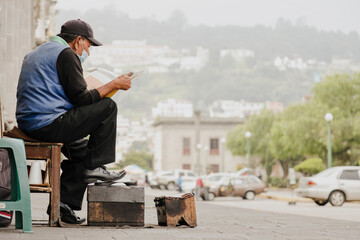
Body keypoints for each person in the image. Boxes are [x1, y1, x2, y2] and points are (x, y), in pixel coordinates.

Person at [16, 19, 132, 224]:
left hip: (30, 121)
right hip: (47, 123)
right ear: (78, 41)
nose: (88, 51)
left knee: (82, 150)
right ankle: (95, 167)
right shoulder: (66, 54)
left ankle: (64, 206)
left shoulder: (38, 51)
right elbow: (82, 98)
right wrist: (113, 84)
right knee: (108, 107)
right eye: (88, 46)